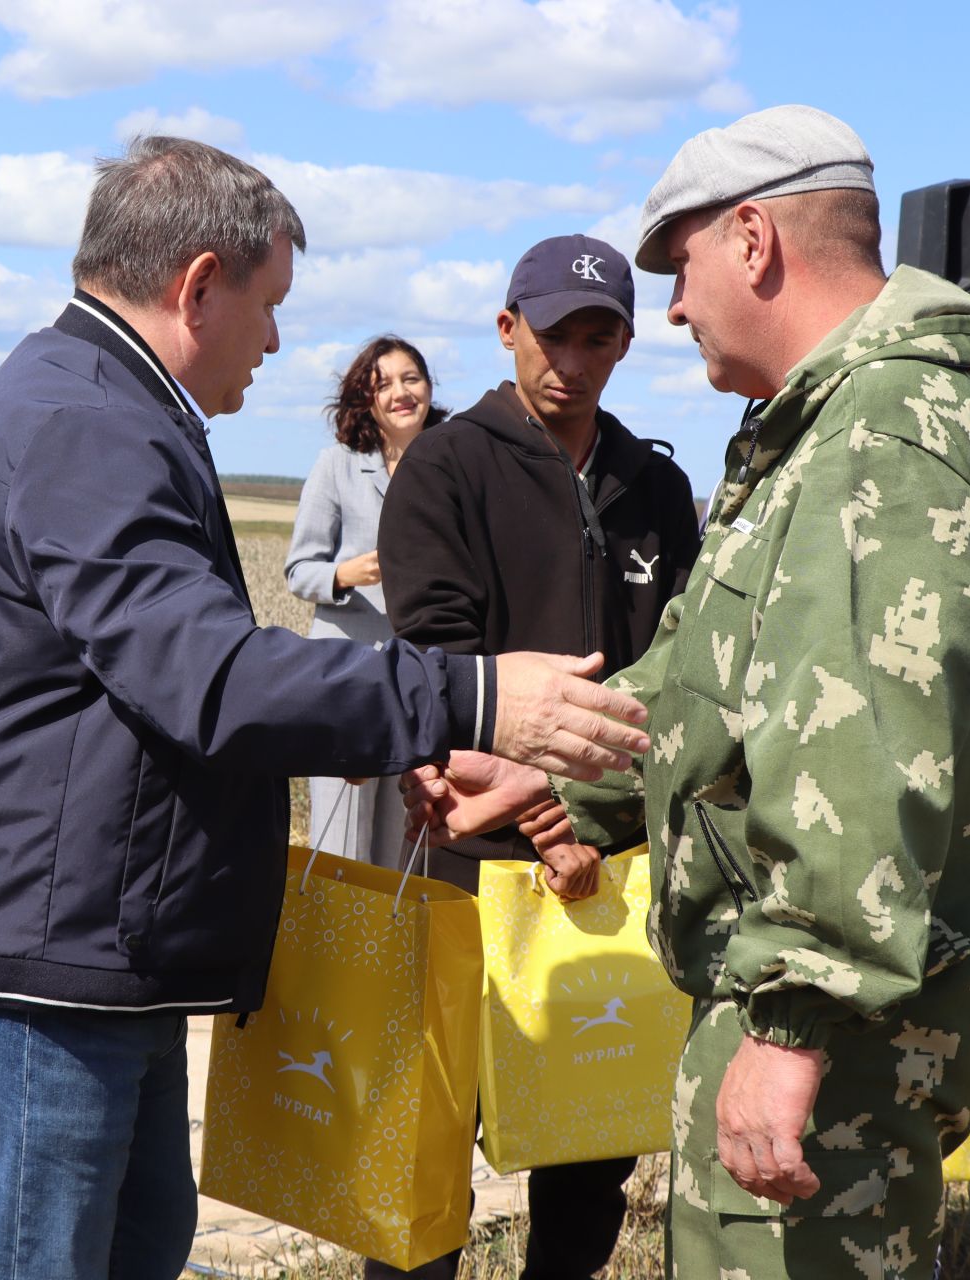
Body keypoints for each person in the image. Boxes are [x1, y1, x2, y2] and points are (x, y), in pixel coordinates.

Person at [0, 136, 653, 1280]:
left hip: (76, 946)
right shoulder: (88, 422)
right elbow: (212, 680)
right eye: (269, 305)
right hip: (34, 974)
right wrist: (476, 695)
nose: (277, 341)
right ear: (196, 287)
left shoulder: (100, 402)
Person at [404, 105, 970, 1278]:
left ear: (751, 239)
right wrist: (555, 772)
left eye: (676, 268)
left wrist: (791, 1024)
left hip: (837, 1018)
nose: (670, 308)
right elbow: (713, 681)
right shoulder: (829, 426)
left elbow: (865, 759)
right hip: (825, 1000)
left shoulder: (881, 432)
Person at [369, 233, 701, 1280]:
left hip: (609, 854)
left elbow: (682, 669)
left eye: (598, 337)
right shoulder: (447, 466)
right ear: (510, 329)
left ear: (624, 346)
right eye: (553, 332)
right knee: (428, 1134)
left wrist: (585, 809)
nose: (572, 358)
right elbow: (437, 655)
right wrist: (535, 806)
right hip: (463, 840)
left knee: (590, 1136)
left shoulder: (654, 485)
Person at [286, 336, 449, 866]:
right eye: (383, 384)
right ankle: (330, 951)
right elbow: (298, 570)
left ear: (428, 388)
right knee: (342, 852)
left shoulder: (453, 465)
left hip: (424, 683)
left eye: (411, 379)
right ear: (366, 400)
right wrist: (346, 573)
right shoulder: (336, 464)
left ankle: (393, 953)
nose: (401, 393)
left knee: (406, 854)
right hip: (348, 679)